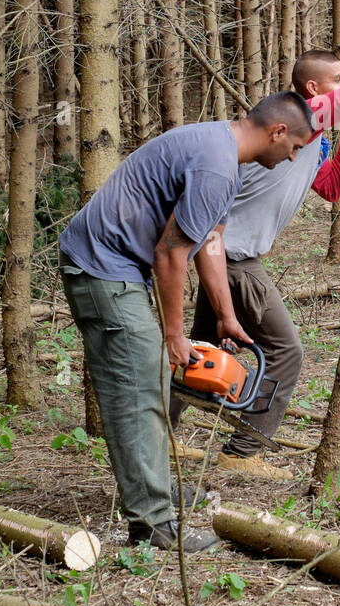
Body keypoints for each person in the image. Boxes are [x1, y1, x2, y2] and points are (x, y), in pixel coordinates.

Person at [174, 1, 340, 479]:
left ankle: (157, 436)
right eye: (338, 80)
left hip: (219, 255)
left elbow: (332, 185)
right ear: (314, 90)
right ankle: (243, 455)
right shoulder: (299, 115)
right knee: (285, 352)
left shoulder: (310, 138)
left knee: (196, 349)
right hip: (233, 258)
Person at [57, 92, 314, 552]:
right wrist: (175, 336)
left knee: (149, 381)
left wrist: (226, 315)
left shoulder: (226, 158)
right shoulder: (217, 165)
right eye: (295, 146)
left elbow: (211, 239)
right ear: (277, 132)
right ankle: (154, 525)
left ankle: (153, 490)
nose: (294, 155)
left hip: (115, 266)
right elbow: (171, 254)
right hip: (101, 268)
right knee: (138, 388)